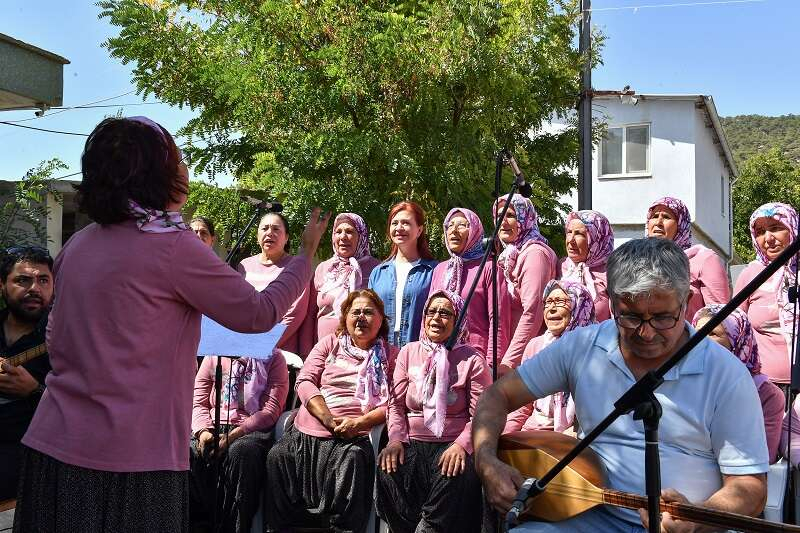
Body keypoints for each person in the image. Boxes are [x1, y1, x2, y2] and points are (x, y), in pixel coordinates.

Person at [13, 116, 330, 532]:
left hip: (52, 448)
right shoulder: (171, 246)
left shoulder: (78, 244)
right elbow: (259, 313)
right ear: (151, 173)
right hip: (133, 458)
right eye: (176, 159)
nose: (185, 170)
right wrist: (305, 255)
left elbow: (56, 341)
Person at [473, 238, 769, 532]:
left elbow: (749, 486)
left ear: (686, 301)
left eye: (663, 317)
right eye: (631, 317)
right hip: (588, 517)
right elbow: (497, 395)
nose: (647, 332)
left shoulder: (725, 374)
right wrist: (486, 462)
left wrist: (699, 518)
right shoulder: (583, 346)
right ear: (612, 303)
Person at [265, 289, 397, 533]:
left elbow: (394, 403)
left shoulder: (392, 356)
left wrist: (357, 423)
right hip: (311, 427)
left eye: (369, 312)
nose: (361, 317)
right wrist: (326, 417)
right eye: (355, 312)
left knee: (353, 460)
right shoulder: (329, 344)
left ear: (381, 320)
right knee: (278, 457)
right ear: (345, 317)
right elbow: (304, 381)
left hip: (354, 435)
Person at [376, 290, 491, 533]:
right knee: (387, 468)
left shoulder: (472, 359)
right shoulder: (409, 352)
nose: (436, 318)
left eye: (445, 313)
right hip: (412, 442)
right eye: (431, 311)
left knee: (454, 473)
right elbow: (395, 404)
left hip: (452, 444)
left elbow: (483, 414)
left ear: (458, 319)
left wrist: (461, 445)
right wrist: (396, 440)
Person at [189, 349, 288, 532]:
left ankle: (233, 526)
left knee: (241, 452)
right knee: (190, 452)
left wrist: (232, 436)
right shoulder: (214, 356)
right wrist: (204, 432)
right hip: (211, 426)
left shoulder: (274, 359)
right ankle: (197, 524)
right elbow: (198, 402)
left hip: (251, 431)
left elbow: (270, 411)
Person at [692, 305, 784, 464]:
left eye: (713, 333)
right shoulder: (684, 381)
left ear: (738, 339)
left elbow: (764, 455)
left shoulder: (767, 395)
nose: (702, 341)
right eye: (698, 333)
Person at [503, 280, 595, 434]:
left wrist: (575, 435)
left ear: (578, 305)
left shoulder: (593, 349)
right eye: (548, 302)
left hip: (575, 435)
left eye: (559, 301)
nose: (551, 308)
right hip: (533, 430)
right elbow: (522, 405)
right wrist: (503, 435)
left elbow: (598, 411)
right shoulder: (535, 346)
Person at [0, 246, 53, 501]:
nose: (35, 288)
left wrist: (35, 391)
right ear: (2, 285)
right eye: (23, 280)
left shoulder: (67, 340)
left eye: (43, 280)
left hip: (33, 458)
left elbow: (88, 404)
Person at [493, 194, 558, 375]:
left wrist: (509, 361)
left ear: (525, 218)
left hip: (525, 361)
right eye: (499, 216)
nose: (503, 222)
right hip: (509, 353)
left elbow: (533, 311)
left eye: (511, 215)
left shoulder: (534, 254)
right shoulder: (510, 254)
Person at [735, 202, 798, 384]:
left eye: (776, 228)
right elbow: (735, 327)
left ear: (792, 228)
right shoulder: (751, 274)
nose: (768, 238)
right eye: (760, 232)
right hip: (764, 385)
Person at [238, 212, 311, 355]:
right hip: (244, 348)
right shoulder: (244, 265)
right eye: (264, 228)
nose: (269, 233)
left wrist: (263, 344)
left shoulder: (296, 266)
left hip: (280, 352)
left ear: (286, 237)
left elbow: (294, 314)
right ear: (257, 235)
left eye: (276, 229)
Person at [645, 197, 730, 320]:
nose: (658, 222)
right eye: (654, 216)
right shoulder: (639, 261)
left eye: (666, 217)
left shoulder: (703, 259)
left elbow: (720, 317)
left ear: (681, 225)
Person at [369, 201, 438, 348]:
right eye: (394, 223)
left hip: (420, 351)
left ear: (419, 230)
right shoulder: (379, 272)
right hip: (382, 350)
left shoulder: (433, 271)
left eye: (406, 223)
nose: (399, 228)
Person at [428, 207, 492, 359]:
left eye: (462, 225)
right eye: (450, 226)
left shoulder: (488, 267)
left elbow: (498, 321)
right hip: (439, 356)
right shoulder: (440, 269)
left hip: (475, 356)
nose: (454, 230)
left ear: (475, 232)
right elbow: (428, 313)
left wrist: (492, 364)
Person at [310, 212, 380, 342]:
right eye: (338, 232)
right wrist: (306, 351)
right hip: (324, 345)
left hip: (363, 345)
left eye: (349, 231)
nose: (343, 237)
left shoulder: (377, 269)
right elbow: (310, 314)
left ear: (361, 236)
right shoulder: (323, 268)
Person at [559, 210, 613, 321]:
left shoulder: (612, 272)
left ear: (597, 238)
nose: (571, 240)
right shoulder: (560, 267)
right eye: (569, 232)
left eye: (579, 234)